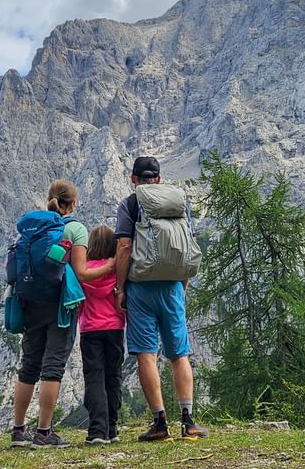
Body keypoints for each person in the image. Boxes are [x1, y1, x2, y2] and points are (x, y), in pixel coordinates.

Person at [10, 179, 115, 449]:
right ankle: (44, 432)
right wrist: (110, 267)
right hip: (60, 307)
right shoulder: (74, 229)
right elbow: (82, 273)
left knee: (28, 365)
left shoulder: (31, 229)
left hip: (29, 303)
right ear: (74, 203)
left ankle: (18, 430)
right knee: (52, 366)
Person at [113, 157, 209, 442]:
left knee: (146, 354)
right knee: (179, 355)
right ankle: (189, 423)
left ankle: (160, 423)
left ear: (133, 179)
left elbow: (124, 247)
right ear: (159, 177)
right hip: (172, 287)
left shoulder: (130, 204)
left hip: (141, 288)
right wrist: (182, 284)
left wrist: (120, 288)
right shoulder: (178, 203)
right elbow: (187, 247)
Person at [78, 225, 125, 445]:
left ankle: (97, 431)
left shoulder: (84, 270)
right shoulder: (118, 271)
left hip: (90, 330)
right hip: (115, 329)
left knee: (94, 378)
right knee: (113, 378)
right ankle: (112, 429)